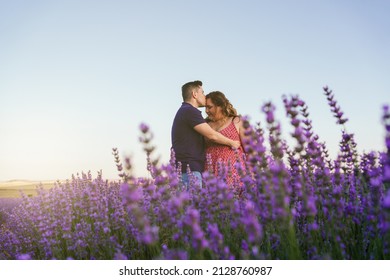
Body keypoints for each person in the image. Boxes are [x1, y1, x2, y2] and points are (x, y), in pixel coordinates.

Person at [171, 81, 240, 188]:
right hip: (189, 171)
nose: (204, 95)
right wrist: (232, 142)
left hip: (187, 170)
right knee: (192, 204)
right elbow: (212, 135)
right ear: (194, 94)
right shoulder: (189, 111)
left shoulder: (185, 111)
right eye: (202, 92)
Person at [204, 91, 247, 193]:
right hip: (210, 174)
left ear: (220, 106)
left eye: (209, 107)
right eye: (205, 107)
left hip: (235, 176)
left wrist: (253, 175)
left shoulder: (237, 121)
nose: (206, 111)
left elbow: (250, 150)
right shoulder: (205, 125)